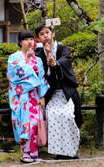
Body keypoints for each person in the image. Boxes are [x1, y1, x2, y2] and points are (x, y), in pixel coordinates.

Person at [35, 24, 82, 160]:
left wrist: (55, 63)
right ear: (38, 38)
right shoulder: (39, 55)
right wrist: (42, 96)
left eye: (47, 32)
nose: (45, 36)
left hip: (67, 92)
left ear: (53, 34)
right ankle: (59, 151)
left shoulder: (63, 49)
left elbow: (65, 60)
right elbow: (40, 77)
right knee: (53, 115)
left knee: (67, 116)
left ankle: (71, 151)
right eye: (42, 34)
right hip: (51, 94)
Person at [7, 29, 50, 163]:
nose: (29, 42)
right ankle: (25, 153)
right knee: (26, 124)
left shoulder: (38, 60)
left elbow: (41, 78)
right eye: (26, 39)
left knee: (36, 124)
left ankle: (34, 153)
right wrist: (26, 59)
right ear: (20, 42)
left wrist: (42, 96)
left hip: (35, 96)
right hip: (22, 96)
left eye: (31, 39)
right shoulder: (14, 57)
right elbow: (14, 75)